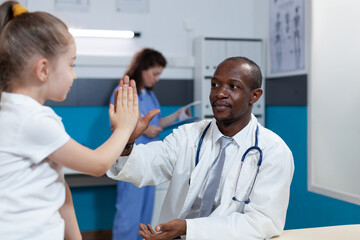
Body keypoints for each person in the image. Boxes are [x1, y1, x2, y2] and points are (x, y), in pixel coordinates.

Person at [0, 1, 157, 239]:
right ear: (43, 70)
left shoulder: (16, 112)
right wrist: (124, 127)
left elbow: (58, 187)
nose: (74, 74)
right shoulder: (31, 118)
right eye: (71, 64)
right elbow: (97, 165)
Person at [107, 56, 295, 240]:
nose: (220, 93)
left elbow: (262, 222)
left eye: (233, 86)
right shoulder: (188, 135)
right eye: (215, 85)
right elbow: (145, 165)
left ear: (255, 96)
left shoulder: (273, 151)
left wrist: (188, 229)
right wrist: (126, 139)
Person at [109, 48, 189, 240]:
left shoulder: (150, 95)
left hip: (150, 160)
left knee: (146, 215)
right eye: (154, 73)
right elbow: (119, 126)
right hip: (131, 158)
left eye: (159, 74)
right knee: (129, 213)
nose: (157, 78)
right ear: (142, 69)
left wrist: (177, 117)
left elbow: (155, 123)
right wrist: (144, 130)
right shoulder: (125, 93)